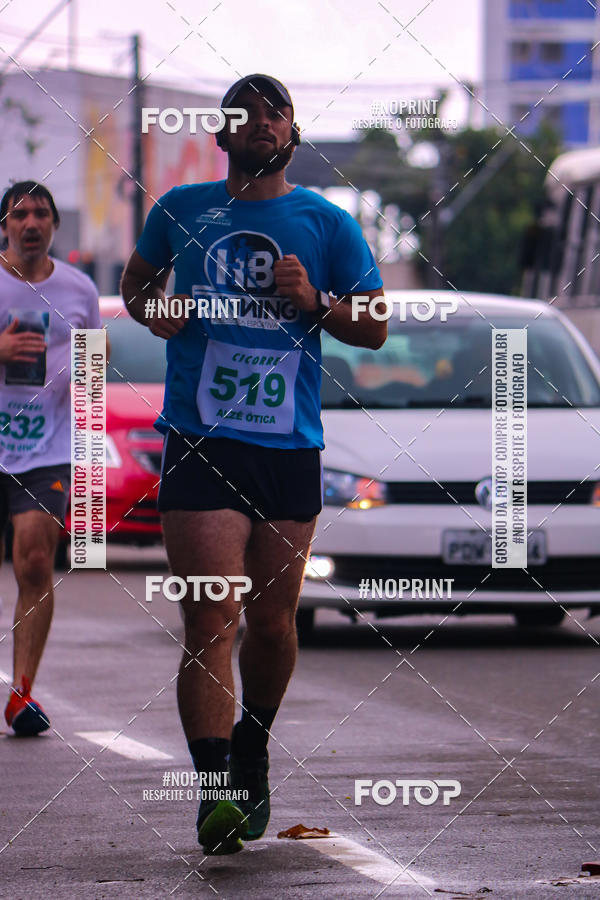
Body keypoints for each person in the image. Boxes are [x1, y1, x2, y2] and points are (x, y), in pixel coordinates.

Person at [121, 74, 386, 854]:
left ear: (291, 133)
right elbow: (138, 286)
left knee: (271, 626)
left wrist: (317, 304)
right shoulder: (182, 211)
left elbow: (372, 325)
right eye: (247, 112)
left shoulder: (325, 224)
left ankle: (253, 744)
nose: (262, 122)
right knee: (211, 615)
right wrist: (161, 313)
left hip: (288, 448)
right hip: (203, 439)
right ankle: (214, 792)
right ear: (224, 134)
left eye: (276, 111)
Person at [0, 181, 102, 735]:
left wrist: (92, 367)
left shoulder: (79, 290)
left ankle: (21, 695)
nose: (31, 222)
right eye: (20, 214)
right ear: (5, 226)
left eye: (41, 213)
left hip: (46, 448)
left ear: (54, 226)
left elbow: (91, 369)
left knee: (36, 564)